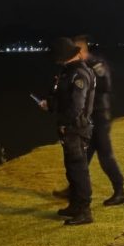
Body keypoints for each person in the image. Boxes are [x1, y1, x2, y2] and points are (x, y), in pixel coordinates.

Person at [53, 36, 124, 206]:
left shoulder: (95, 65)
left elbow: (105, 86)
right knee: (81, 158)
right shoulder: (76, 68)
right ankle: (74, 189)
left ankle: (120, 191)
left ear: (82, 50)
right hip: (88, 120)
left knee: (105, 157)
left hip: (100, 118)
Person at [39, 37, 96, 225]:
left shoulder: (79, 74)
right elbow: (62, 98)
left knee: (79, 169)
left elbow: (76, 107)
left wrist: (64, 123)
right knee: (72, 169)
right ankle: (75, 205)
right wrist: (50, 104)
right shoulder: (68, 72)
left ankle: (85, 210)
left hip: (76, 128)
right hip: (70, 127)